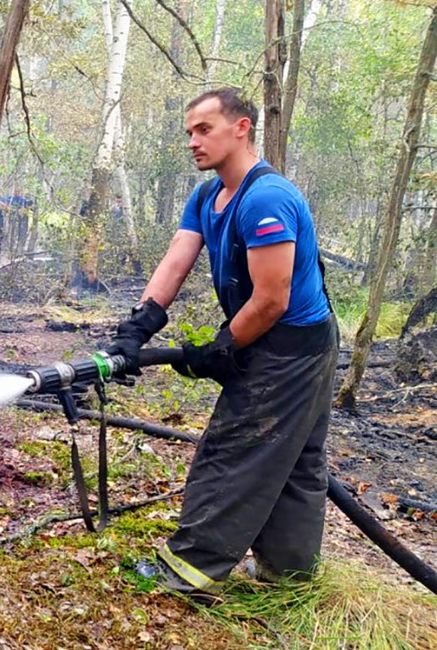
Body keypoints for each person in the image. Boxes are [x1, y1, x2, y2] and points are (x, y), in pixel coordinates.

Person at [105, 88, 337, 599]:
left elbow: (272, 299)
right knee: (295, 458)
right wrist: (140, 324)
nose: (193, 141)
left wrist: (220, 349)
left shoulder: (266, 198)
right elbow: (177, 259)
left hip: (293, 346)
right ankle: (289, 575)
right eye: (189, 131)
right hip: (279, 338)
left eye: (203, 129)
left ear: (242, 127)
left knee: (234, 450)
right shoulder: (209, 195)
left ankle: (186, 570)